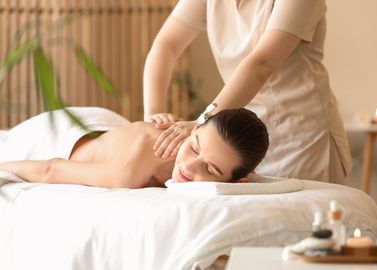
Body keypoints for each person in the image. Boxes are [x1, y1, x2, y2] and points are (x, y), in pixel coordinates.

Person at [143, 0, 352, 184]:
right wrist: (154, 118)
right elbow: (166, 45)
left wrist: (203, 121)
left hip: (302, 140)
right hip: (239, 146)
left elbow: (261, 65)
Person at [0, 107, 269, 189]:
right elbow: (51, 169)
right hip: (63, 134)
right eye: (194, 148)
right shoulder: (128, 172)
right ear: (193, 129)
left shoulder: (193, 143)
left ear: (238, 181)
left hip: (113, 127)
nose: (189, 166)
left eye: (210, 169)